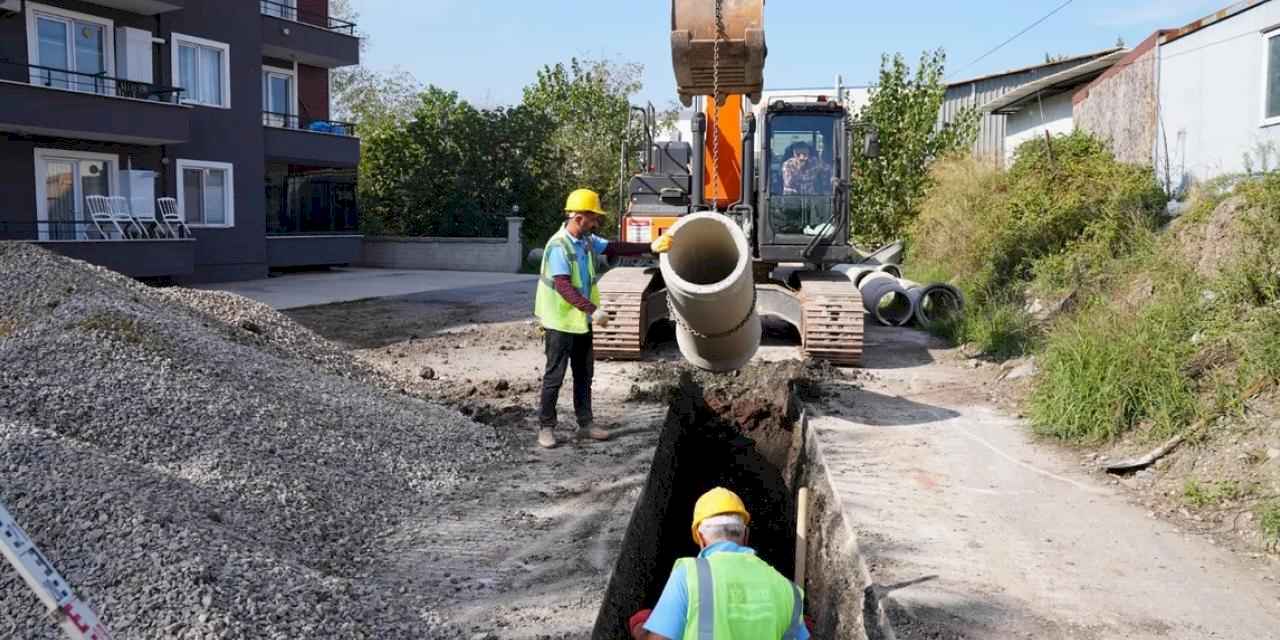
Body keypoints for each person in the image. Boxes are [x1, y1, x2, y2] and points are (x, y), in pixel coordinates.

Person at [533, 188, 673, 449]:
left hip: (580, 322)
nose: (596, 222)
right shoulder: (558, 246)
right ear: (578, 217)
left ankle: (585, 425)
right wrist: (592, 310)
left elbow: (613, 246)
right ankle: (546, 427)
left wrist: (650, 247)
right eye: (593, 218)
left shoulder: (586, 241)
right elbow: (563, 286)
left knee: (584, 374)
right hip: (560, 323)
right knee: (555, 376)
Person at [629, 487, 809, 640]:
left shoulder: (689, 576)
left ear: (700, 538)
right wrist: (799, 622)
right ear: (745, 536)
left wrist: (643, 630)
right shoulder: (789, 591)